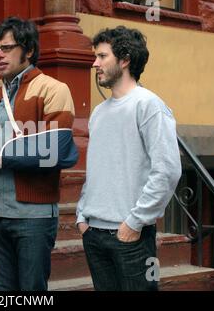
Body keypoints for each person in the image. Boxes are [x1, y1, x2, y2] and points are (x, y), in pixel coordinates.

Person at [0, 17, 78, 291]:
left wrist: (3, 159)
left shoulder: (54, 89)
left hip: (34, 215)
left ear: (28, 50)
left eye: (6, 48)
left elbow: (57, 152)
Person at [76, 26, 182, 291]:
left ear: (124, 60)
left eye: (102, 57)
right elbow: (97, 169)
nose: (95, 63)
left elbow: (167, 171)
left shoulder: (149, 106)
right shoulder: (99, 113)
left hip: (132, 237)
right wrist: (81, 215)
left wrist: (134, 223)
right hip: (94, 234)